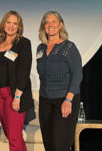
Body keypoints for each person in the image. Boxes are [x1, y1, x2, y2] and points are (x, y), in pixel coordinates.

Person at [36, 11, 83, 151]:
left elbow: (77, 75)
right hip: (45, 100)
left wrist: (68, 100)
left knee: (60, 144)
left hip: (64, 99)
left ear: (61, 25)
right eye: (47, 22)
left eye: (54, 22)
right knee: (49, 143)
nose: (50, 25)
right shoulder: (41, 48)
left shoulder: (69, 47)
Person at [0, 11, 33, 151]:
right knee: (10, 135)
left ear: (19, 27)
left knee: (14, 136)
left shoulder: (23, 43)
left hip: (14, 94)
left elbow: (24, 71)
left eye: (15, 23)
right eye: (8, 22)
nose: (11, 26)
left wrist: (17, 97)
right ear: (3, 24)